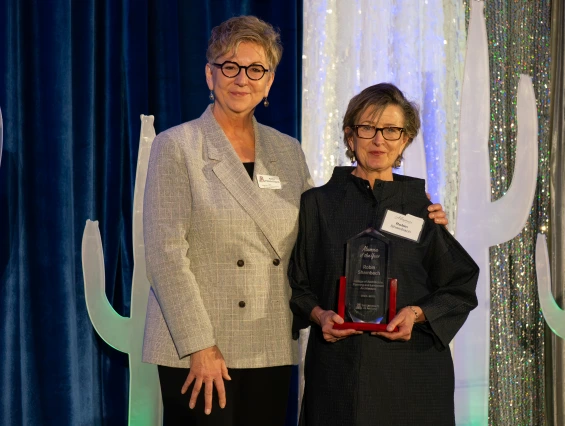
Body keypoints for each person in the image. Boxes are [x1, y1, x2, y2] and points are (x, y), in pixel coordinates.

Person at [142, 16, 449, 425]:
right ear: (209, 74)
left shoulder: (287, 151)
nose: (242, 79)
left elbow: (327, 231)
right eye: (230, 66)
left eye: (256, 70)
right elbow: (166, 257)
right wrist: (200, 346)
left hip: (269, 341)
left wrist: (417, 213)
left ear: (269, 82)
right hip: (200, 347)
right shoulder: (177, 146)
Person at [288, 83, 479, 426]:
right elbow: (298, 285)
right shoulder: (317, 205)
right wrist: (319, 316)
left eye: (391, 130)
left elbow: (460, 285)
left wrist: (417, 314)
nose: (379, 140)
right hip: (338, 376)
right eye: (368, 128)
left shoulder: (422, 208)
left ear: (405, 139)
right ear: (350, 136)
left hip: (413, 374)